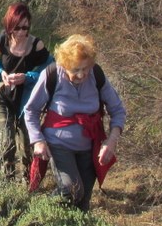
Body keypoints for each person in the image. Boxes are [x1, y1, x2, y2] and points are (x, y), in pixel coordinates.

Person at [23, 34, 125, 211]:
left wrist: (111, 141)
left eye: (85, 68)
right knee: (72, 190)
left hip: (89, 146)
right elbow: (31, 110)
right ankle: (39, 210)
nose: (82, 74)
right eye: (75, 69)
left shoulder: (96, 75)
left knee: (82, 201)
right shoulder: (52, 75)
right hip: (59, 144)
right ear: (65, 65)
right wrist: (38, 141)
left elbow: (118, 110)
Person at [0, 3, 51, 181]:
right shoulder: (3, 41)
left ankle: (28, 182)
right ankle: (9, 180)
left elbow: (50, 68)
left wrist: (28, 77)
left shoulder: (36, 45)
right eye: (17, 27)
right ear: (10, 26)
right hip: (3, 97)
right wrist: (1, 73)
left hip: (26, 102)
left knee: (26, 145)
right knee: (7, 141)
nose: (21, 32)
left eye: (25, 27)